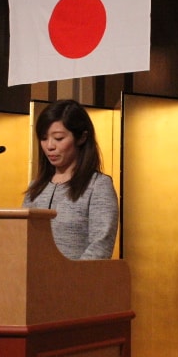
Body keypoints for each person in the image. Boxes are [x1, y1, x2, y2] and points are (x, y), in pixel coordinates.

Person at [22, 99, 118, 260]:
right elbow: (21, 239)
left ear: (81, 138)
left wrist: (69, 274)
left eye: (58, 138)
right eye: (44, 138)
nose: (50, 146)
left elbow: (100, 247)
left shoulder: (98, 185)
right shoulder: (36, 187)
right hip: (34, 275)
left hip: (76, 276)